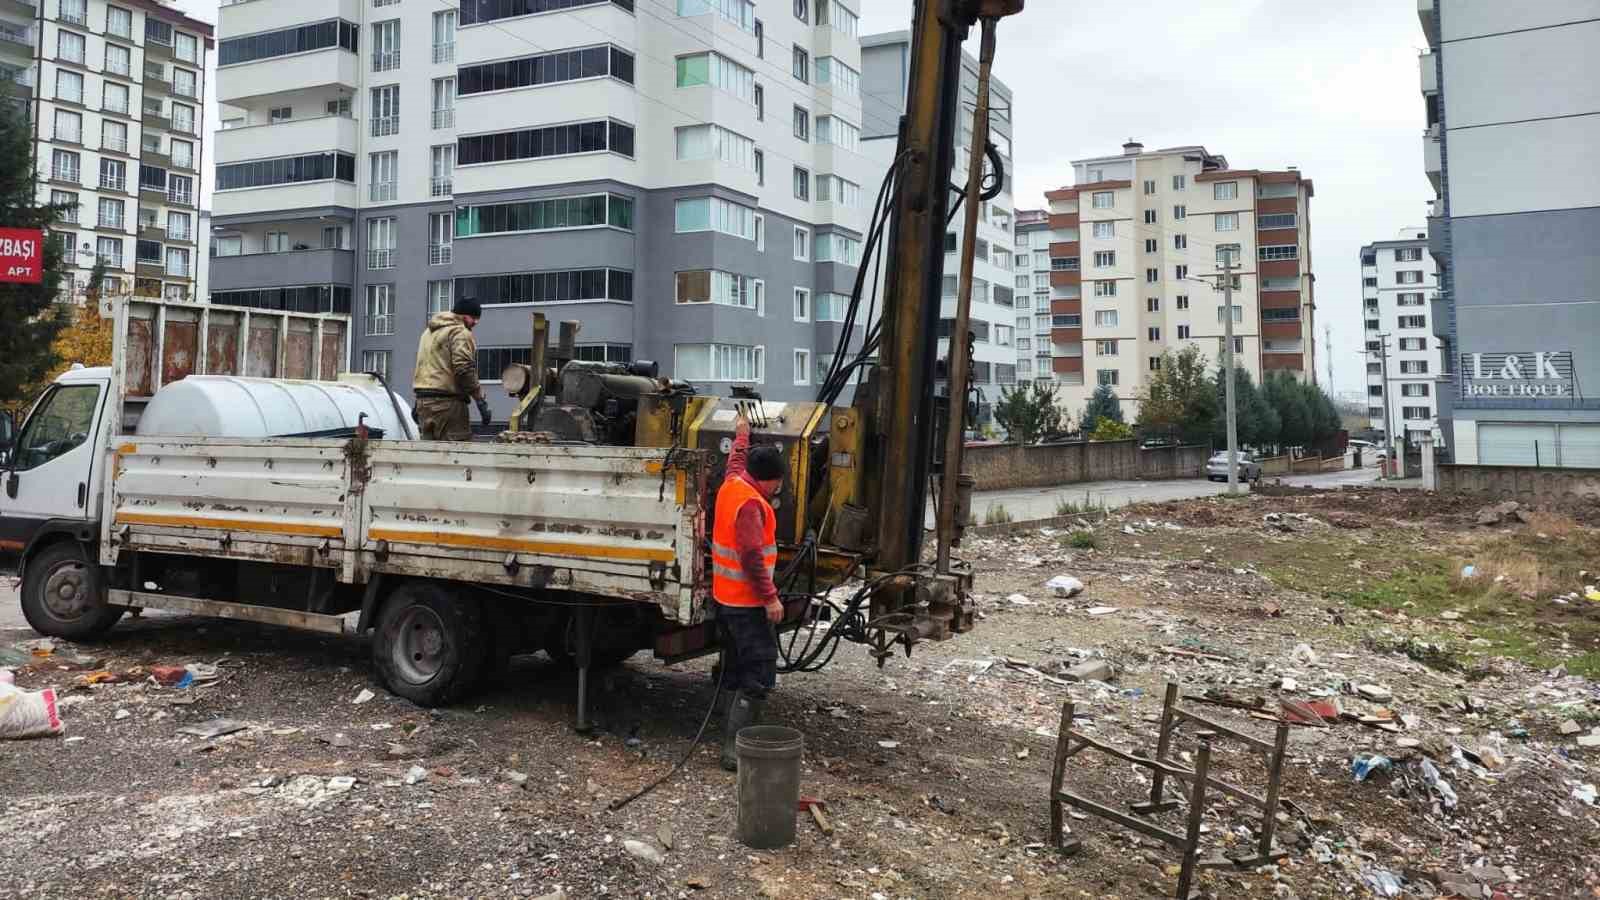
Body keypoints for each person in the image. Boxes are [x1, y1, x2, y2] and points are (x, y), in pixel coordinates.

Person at [710, 409, 787, 771]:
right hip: (747, 603)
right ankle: (735, 751)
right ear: (770, 481)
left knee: (736, 667)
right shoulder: (751, 506)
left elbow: (735, 460)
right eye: (778, 483)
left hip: (726, 599)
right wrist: (770, 598)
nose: (778, 489)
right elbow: (752, 556)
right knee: (758, 673)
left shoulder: (733, 485)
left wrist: (741, 434)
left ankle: (727, 734)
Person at [412, 298, 492, 440]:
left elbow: (424, 366)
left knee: (427, 454)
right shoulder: (460, 332)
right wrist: (480, 400)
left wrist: (417, 401)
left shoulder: (427, 333)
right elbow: (464, 369)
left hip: (423, 404)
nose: (475, 322)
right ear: (461, 315)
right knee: (456, 453)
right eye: (473, 317)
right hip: (448, 405)